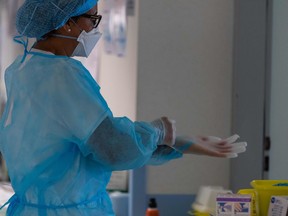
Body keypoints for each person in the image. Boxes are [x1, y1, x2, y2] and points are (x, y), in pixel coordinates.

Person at [0, 0, 247, 215]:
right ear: (67, 23)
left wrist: (180, 143)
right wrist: (160, 132)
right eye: (92, 19)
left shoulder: (22, 70)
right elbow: (114, 148)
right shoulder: (63, 75)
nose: (94, 29)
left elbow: (84, 145)